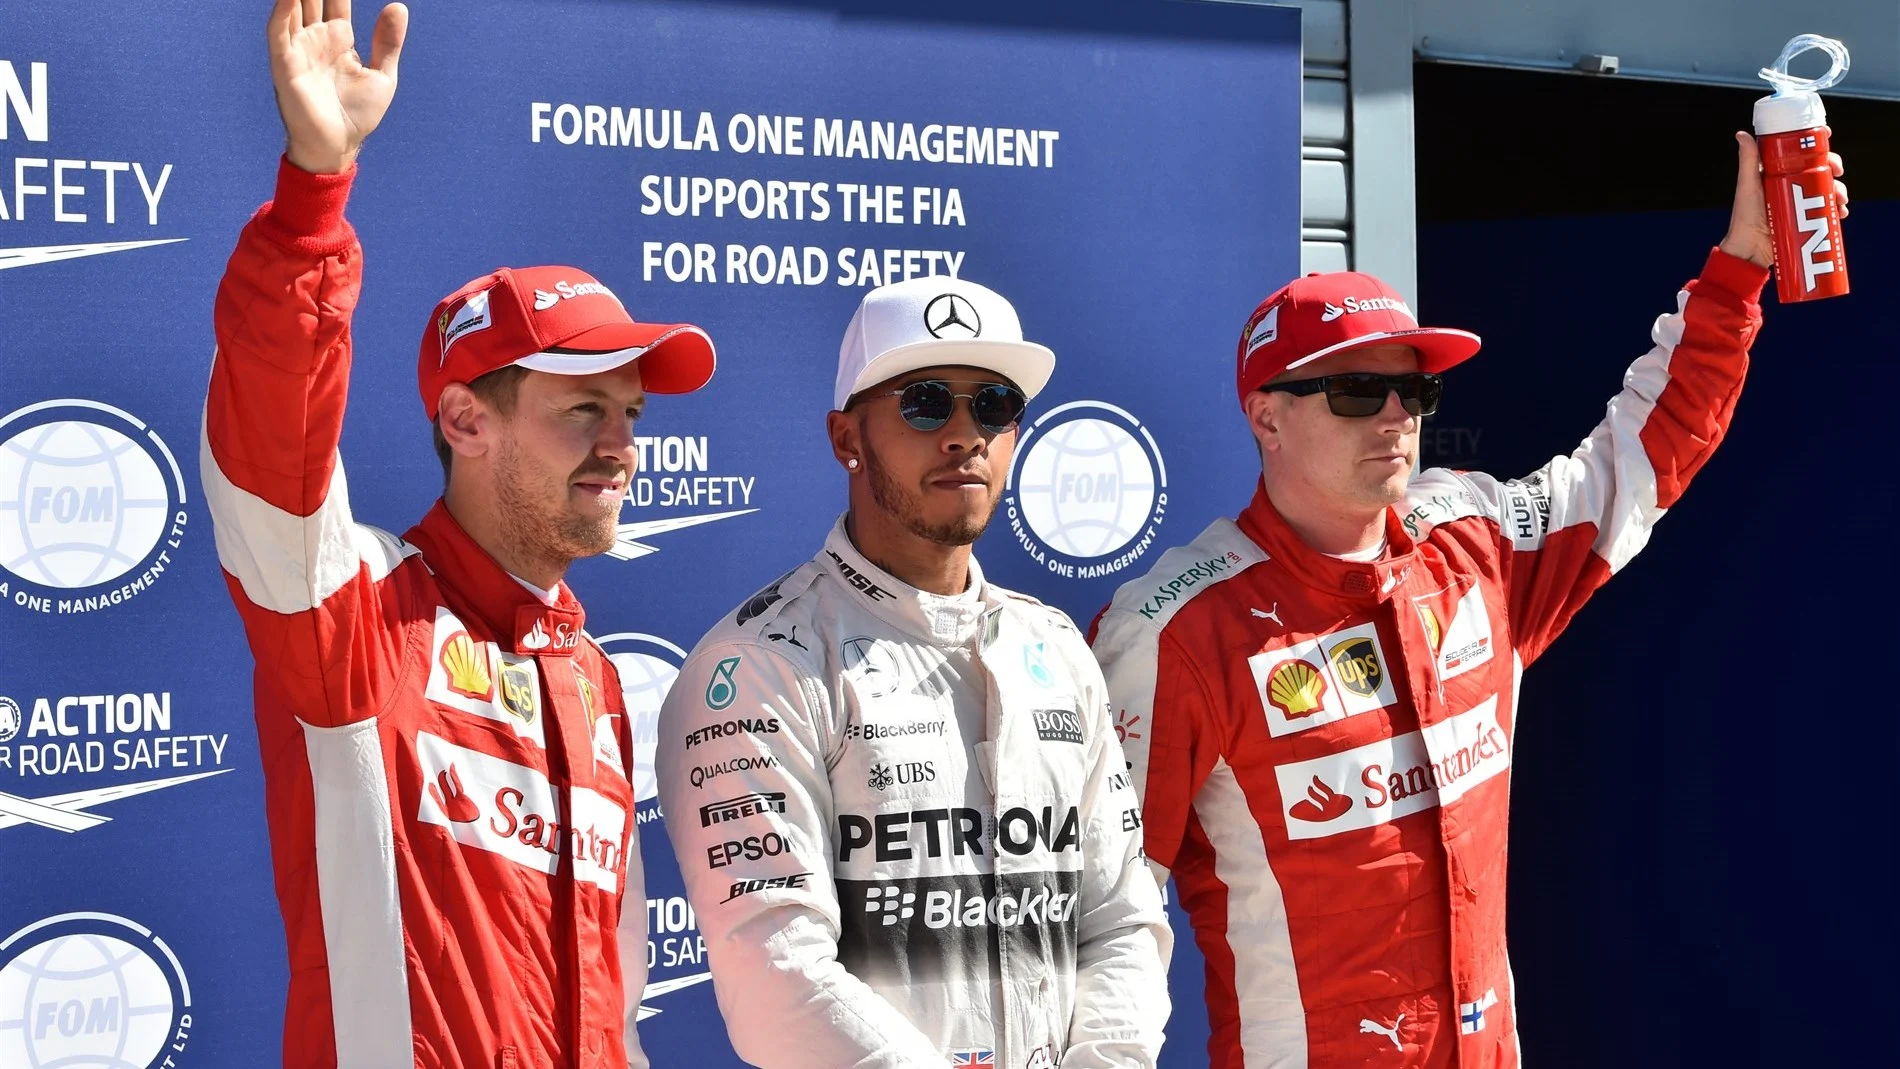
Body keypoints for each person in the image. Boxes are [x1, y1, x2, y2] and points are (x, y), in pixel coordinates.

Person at [1089, 133, 1845, 1068]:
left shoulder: (1475, 540)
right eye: (1358, 390)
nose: (1396, 416)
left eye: (1414, 389)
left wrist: (1742, 267)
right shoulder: (1174, 629)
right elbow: (1097, 913)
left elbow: (1645, 449)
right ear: (1266, 416)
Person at [202, 3, 717, 1066]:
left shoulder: (591, 675)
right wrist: (311, 203)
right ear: (465, 420)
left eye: (631, 413)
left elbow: (614, 1001)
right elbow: (270, 462)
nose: (622, 446)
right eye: (584, 409)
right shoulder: (358, 613)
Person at [655, 277, 1170, 1069]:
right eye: (926, 403)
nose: (965, 434)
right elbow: (777, 976)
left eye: (994, 405)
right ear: (846, 437)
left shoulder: (1057, 647)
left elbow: (1121, 917)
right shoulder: (761, 664)